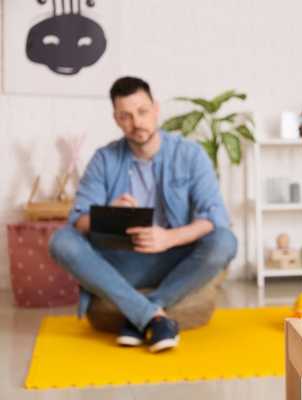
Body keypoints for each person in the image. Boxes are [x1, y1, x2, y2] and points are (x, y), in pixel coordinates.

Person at [49, 76, 237, 352]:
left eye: (142, 112)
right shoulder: (104, 158)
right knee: (61, 240)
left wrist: (169, 238)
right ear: (116, 119)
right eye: (125, 116)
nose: (136, 123)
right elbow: (78, 220)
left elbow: (214, 216)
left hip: (174, 257)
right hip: (121, 261)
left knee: (225, 241)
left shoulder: (190, 154)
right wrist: (108, 214)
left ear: (156, 109)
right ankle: (151, 317)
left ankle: (142, 313)